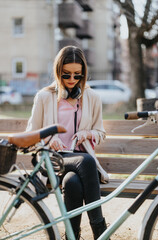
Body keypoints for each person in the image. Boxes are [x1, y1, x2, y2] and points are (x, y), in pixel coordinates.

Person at [26, 45, 109, 240]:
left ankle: (72, 236)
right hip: (53, 160)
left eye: (77, 75)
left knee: (72, 184)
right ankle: (101, 233)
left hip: (79, 164)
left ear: (83, 74)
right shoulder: (44, 97)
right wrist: (49, 137)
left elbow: (101, 132)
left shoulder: (92, 97)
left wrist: (87, 133)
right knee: (87, 161)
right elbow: (31, 134)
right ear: (57, 72)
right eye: (66, 75)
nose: (72, 80)